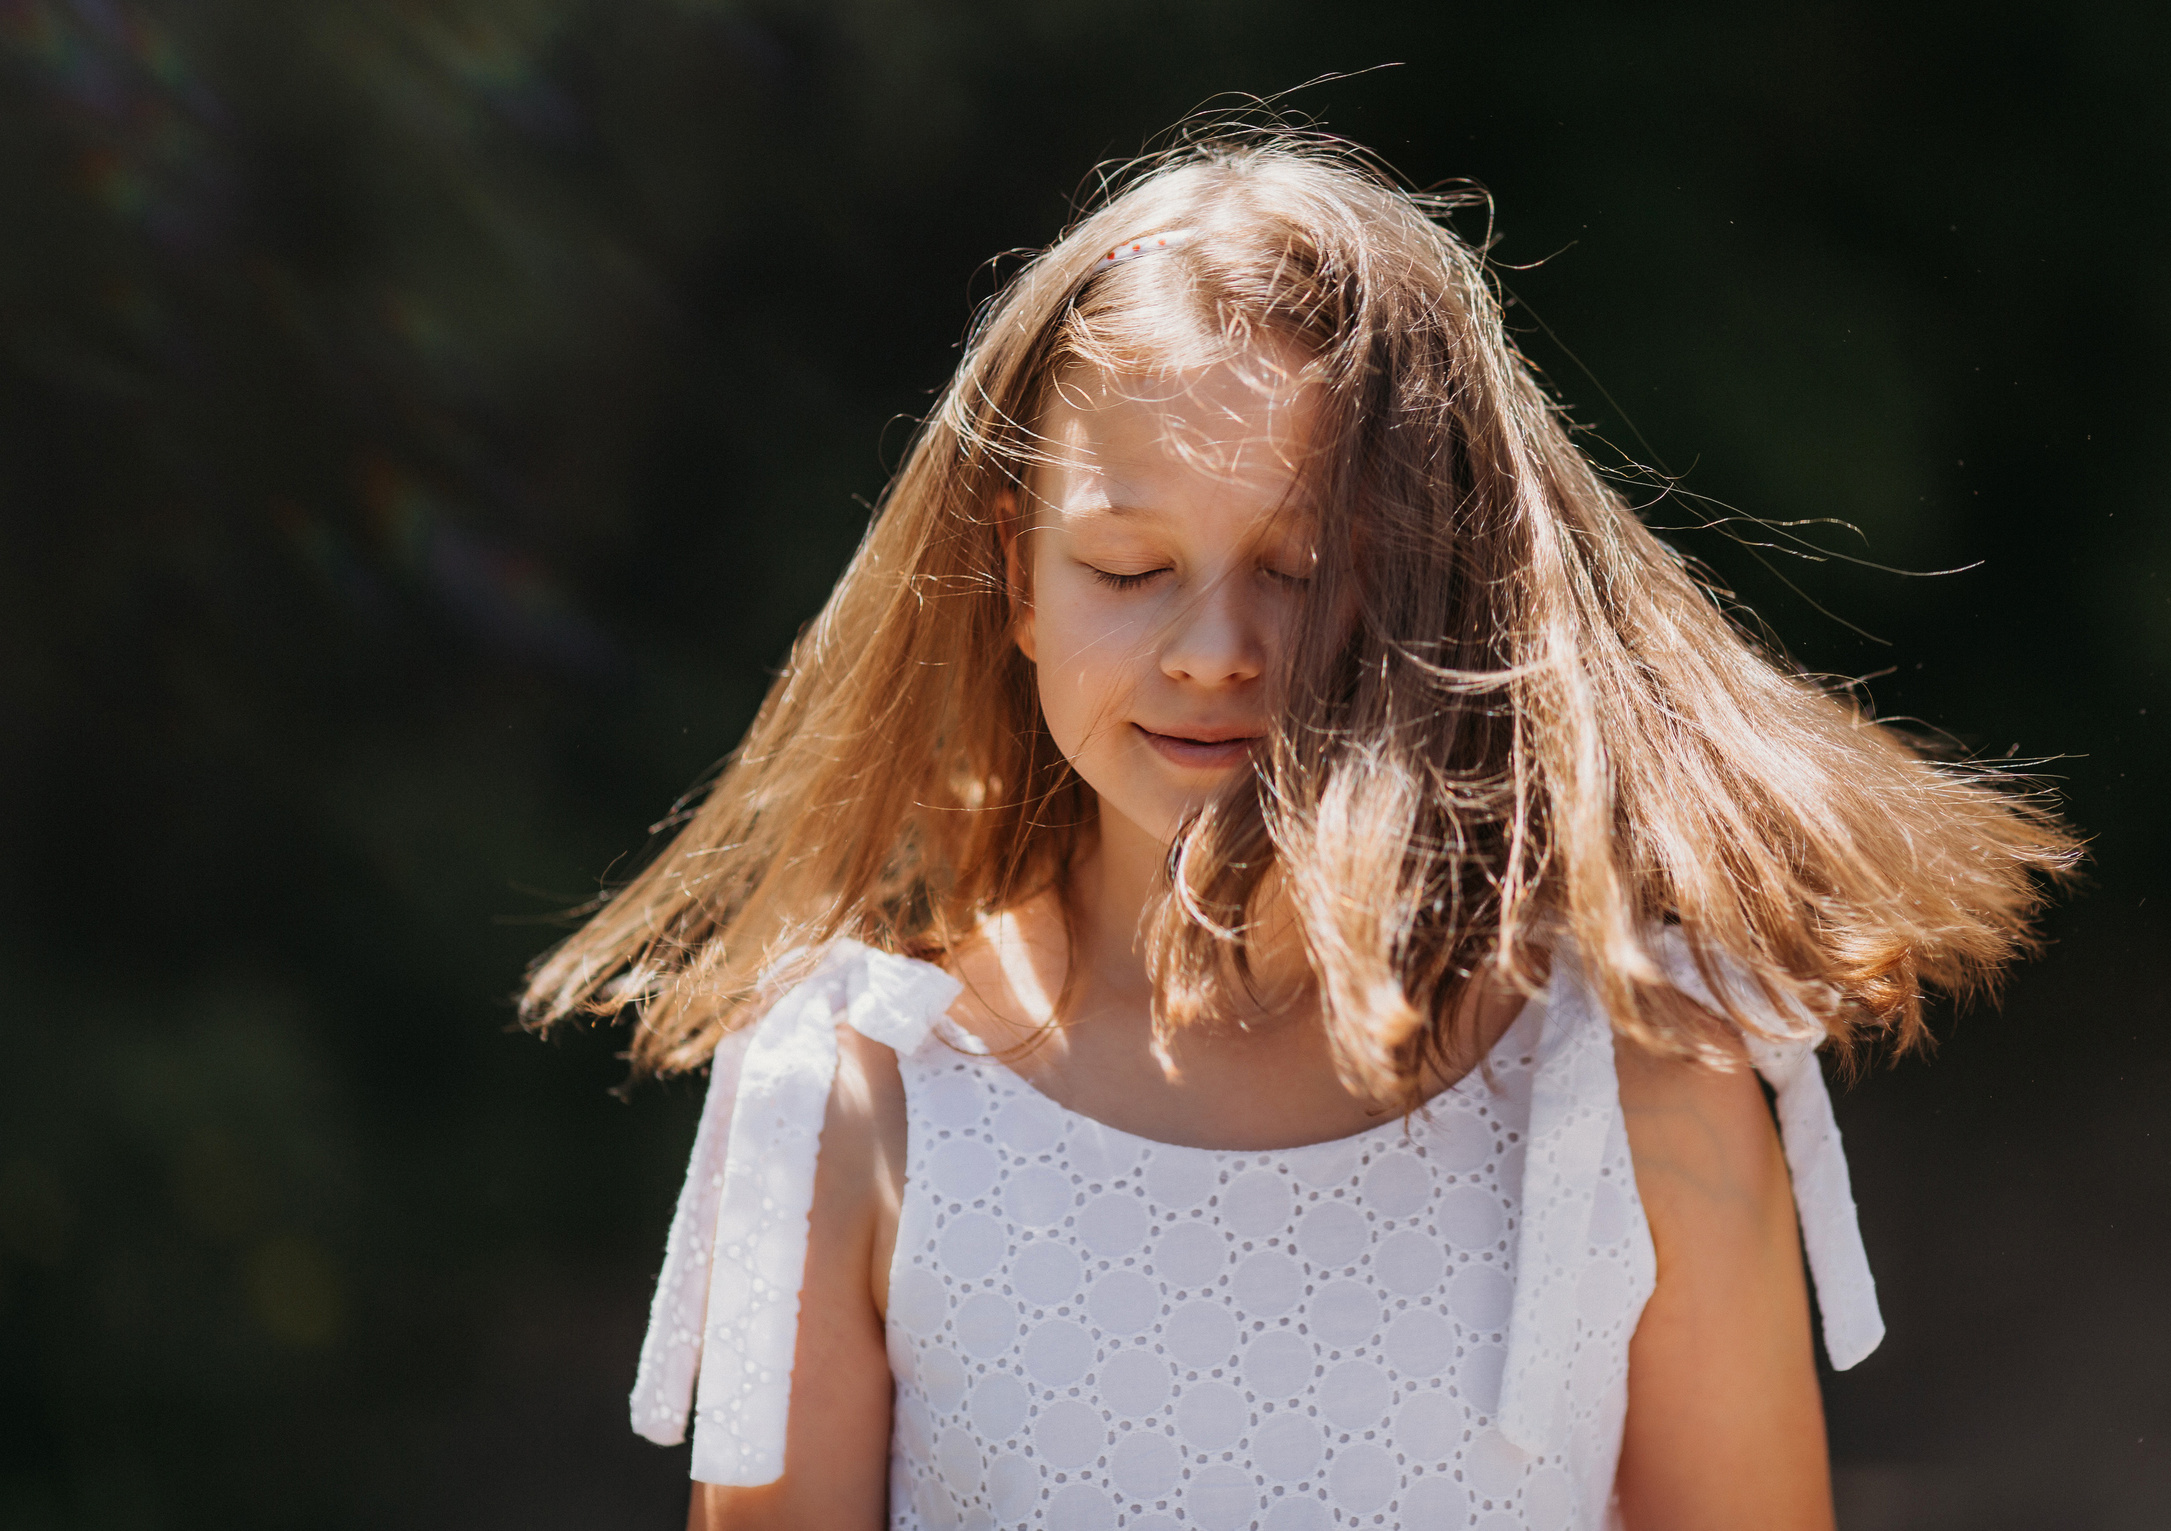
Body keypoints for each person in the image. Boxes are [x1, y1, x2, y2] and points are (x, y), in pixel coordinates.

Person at [521, 133, 2076, 1531]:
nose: (1213, 649)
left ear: (1442, 579)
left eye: (1306, 563)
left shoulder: (1638, 1088)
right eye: (1128, 569)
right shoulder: (853, 1099)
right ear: (1013, 573)